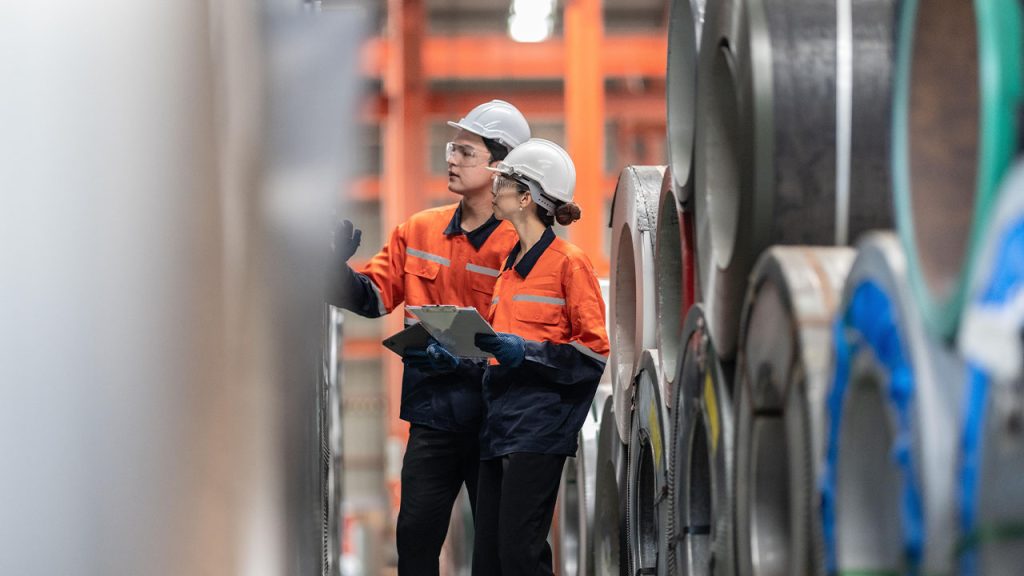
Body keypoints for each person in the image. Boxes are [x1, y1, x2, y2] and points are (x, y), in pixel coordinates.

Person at [327, 101, 530, 576]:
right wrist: (330, 269)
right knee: (415, 541)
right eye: (451, 149)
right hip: (432, 416)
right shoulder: (418, 231)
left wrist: (469, 362)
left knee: (498, 552)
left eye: (465, 151)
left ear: (500, 165)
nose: (451, 159)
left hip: (496, 422)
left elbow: (530, 340)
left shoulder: (523, 246)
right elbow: (372, 297)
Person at [469, 138, 609, 575]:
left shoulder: (571, 264)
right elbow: (500, 351)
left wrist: (522, 351)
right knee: (488, 561)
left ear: (526, 197)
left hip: (539, 429)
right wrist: (456, 354)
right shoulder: (509, 270)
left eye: (503, 183)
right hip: (498, 427)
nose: (494, 191)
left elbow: (593, 353)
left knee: (520, 555)